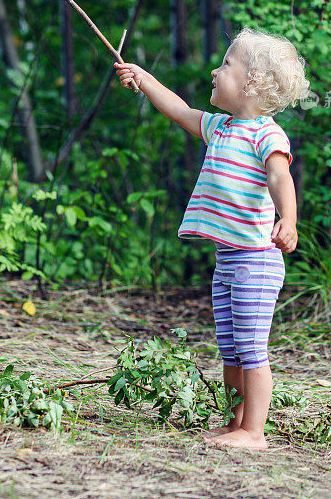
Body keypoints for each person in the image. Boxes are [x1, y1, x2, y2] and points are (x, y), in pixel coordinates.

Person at [114, 26, 310, 451]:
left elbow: (280, 176)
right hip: (229, 260)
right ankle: (235, 421)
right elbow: (179, 110)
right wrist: (143, 79)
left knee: (253, 350)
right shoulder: (219, 128)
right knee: (232, 351)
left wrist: (288, 219)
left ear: (251, 83)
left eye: (225, 65)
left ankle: (254, 432)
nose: (214, 72)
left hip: (256, 260)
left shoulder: (267, 135)